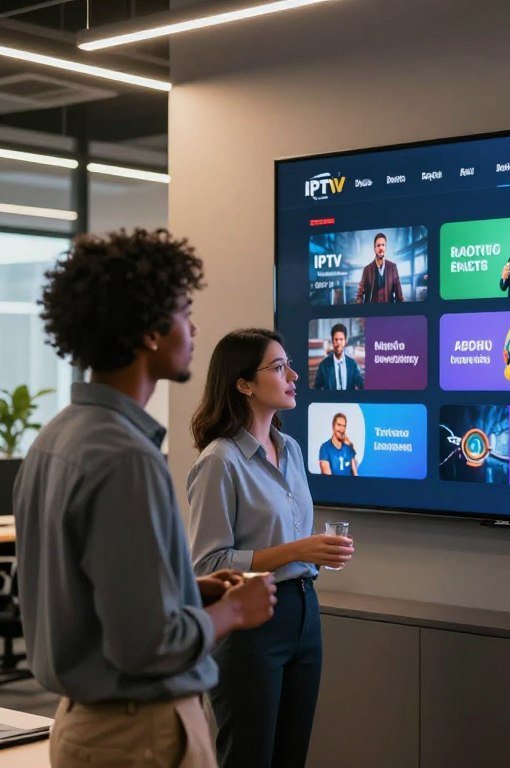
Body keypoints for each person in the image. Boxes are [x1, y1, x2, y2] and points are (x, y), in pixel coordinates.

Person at [13, 228, 277, 768]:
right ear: (150, 332)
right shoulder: (127, 457)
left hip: (86, 724)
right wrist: (231, 612)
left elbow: (90, 596)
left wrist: (188, 587)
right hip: (141, 735)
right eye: (183, 310)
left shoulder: (56, 437)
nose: (194, 326)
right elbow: (146, 646)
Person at [187, 328, 355, 768]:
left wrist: (309, 551)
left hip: (304, 613)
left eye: (290, 364)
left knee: (290, 757)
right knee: (248, 758)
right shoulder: (219, 461)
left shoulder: (292, 449)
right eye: (279, 368)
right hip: (250, 625)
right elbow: (208, 564)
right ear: (243, 384)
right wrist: (298, 549)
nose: (294, 375)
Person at [356, 232, 404, 303]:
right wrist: (362, 312)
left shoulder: (392, 267)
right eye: (378, 245)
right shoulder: (367, 269)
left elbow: (399, 295)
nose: (381, 248)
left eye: (383, 245)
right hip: (371, 311)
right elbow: (359, 295)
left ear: (385, 247)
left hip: (388, 311)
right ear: (374, 248)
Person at [314, 322, 364, 390]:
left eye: (341, 339)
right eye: (336, 340)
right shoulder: (323, 366)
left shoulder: (352, 364)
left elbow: (362, 385)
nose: (339, 343)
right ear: (332, 341)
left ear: (345, 341)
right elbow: (316, 390)